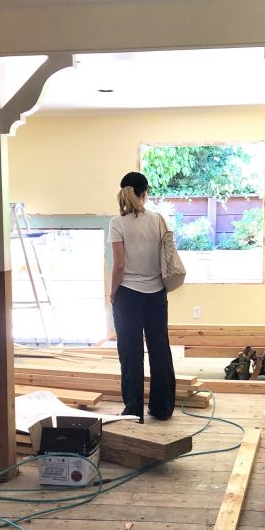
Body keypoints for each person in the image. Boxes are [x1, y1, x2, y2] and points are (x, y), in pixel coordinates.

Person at [108, 171, 176, 422]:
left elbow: (119, 266)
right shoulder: (158, 219)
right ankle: (162, 408)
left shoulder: (117, 223)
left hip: (128, 296)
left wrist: (113, 293)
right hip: (156, 294)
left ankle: (133, 410)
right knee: (160, 349)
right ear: (145, 193)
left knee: (130, 352)